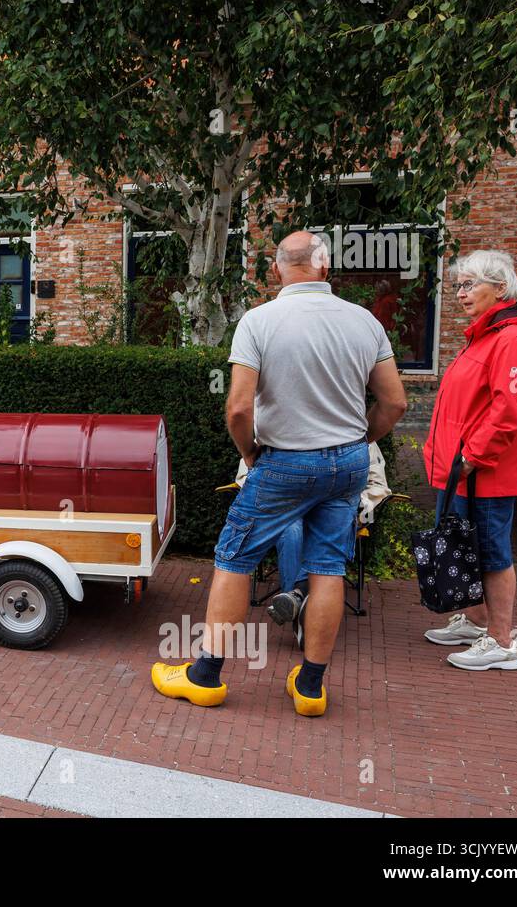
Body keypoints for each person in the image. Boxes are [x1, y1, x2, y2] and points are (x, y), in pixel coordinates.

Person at [151, 230, 407, 717]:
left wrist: (250, 455)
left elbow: (238, 409)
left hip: (284, 460)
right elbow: (394, 402)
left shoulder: (259, 321)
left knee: (234, 557)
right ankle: (310, 688)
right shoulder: (365, 322)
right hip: (348, 461)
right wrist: (360, 443)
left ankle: (204, 677)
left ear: (276, 271)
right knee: (329, 566)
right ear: (325, 266)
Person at [421, 250, 517, 670]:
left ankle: (501, 641)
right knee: (469, 545)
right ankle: (476, 622)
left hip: (484, 472)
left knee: (492, 552)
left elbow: (511, 408)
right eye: (458, 285)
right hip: (464, 469)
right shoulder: (488, 334)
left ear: (500, 288)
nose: (460, 293)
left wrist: (473, 455)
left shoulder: (513, 337)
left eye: (469, 284)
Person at [234, 441, 391, 633]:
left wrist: (358, 503)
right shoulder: (275, 430)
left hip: (339, 509)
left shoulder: (358, 434)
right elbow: (245, 476)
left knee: (323, 525)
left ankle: (296, 601)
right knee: (290, 530)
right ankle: (301, 610)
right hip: (288, 509)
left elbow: (378, 485)